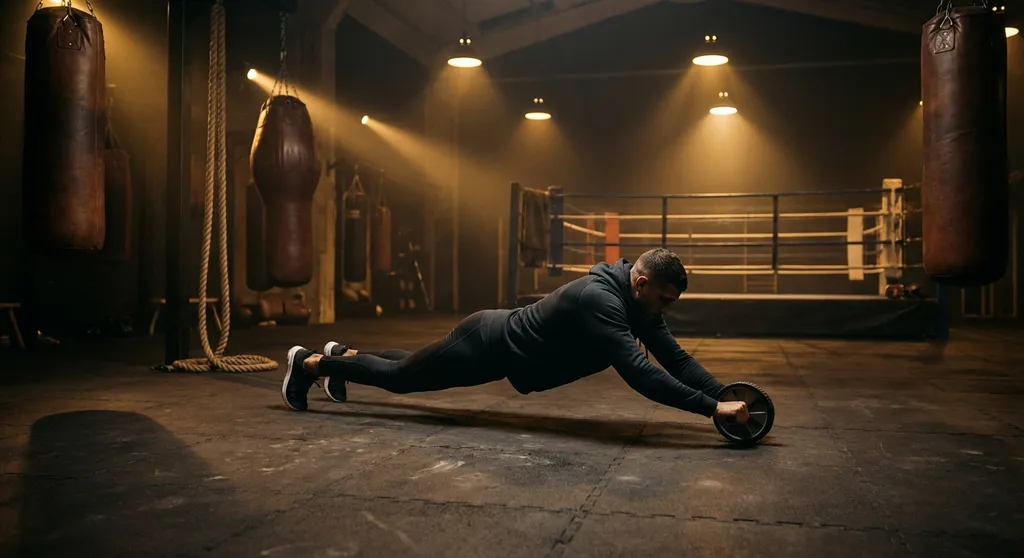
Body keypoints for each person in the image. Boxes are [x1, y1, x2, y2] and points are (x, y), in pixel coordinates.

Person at [281, 248, 750, 425]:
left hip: (502, 354)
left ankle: (342, 354)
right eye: (666, 301)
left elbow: (677, 360)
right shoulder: (600, 300)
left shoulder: (639, 303)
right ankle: (308, 364)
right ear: (644, 284)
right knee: (403, 378)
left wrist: (725, 395)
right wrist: (711, 409)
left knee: (416, 365)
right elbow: (640, 372)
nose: (666, 312)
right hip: (487, 340)